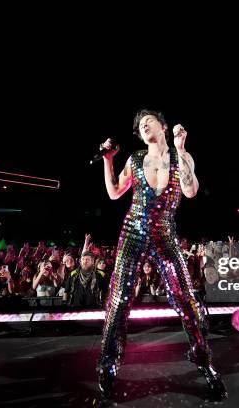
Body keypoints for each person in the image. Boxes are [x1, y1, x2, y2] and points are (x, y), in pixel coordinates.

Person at [96, 109, 226, 400]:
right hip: (133, 232)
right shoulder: (135, 159)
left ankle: (204, 362)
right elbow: (115, 192)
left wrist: (182, 151)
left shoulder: (183, 157)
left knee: (187, 301)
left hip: (165, 233)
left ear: (163, 127)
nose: (142, 126)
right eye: (140, 126)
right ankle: (107, 366)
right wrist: (108, 160)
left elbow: (191, 191)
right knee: (118, 300)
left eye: (148, 122)